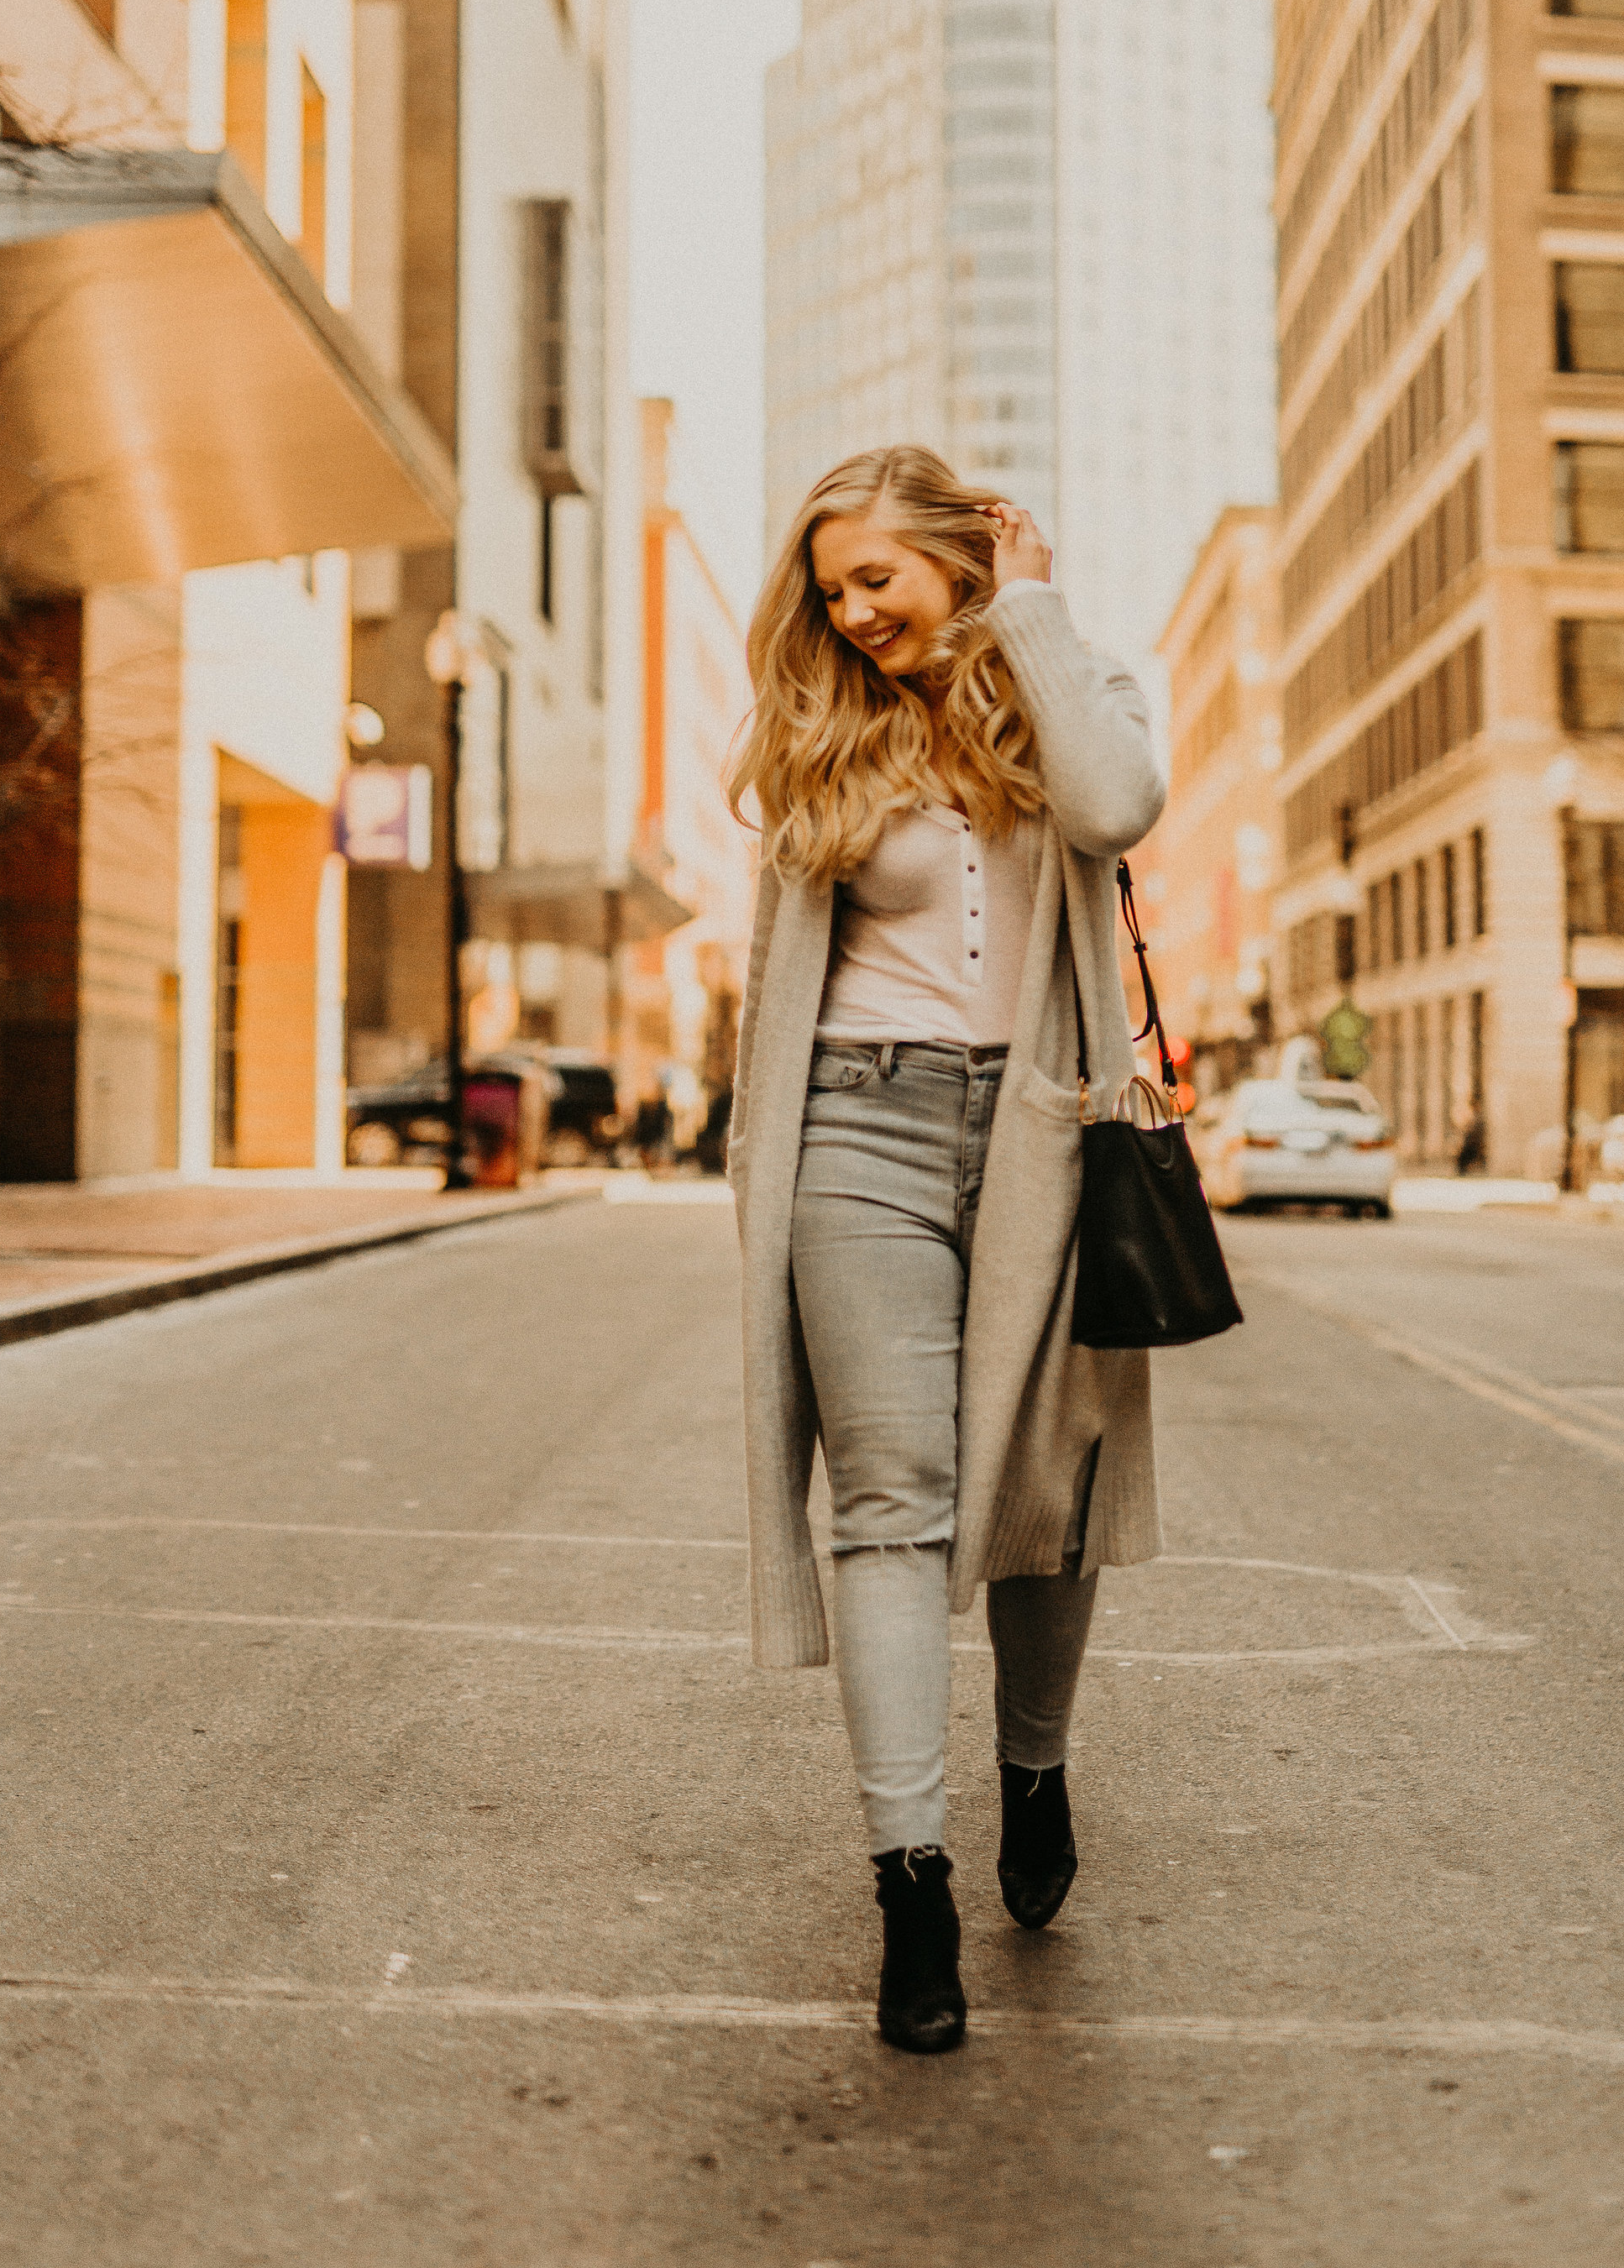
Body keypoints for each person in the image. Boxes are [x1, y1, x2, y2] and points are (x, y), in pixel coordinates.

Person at [726, 445, 1166, 2054]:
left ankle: (1032, 1769)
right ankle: (910, 1884)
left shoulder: (1068, 681)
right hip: (860, 1131)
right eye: (830, 591)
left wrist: (1033, 613)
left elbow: (1117, 808)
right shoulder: (819, 729)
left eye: (876, 581)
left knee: (1048, 1498)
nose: (851, 615)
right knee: (895, 1505)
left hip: (1048, 1130)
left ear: (958, 561)